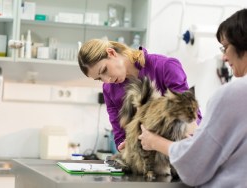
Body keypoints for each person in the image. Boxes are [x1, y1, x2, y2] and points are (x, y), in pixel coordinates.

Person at [138, 8, 247, 187]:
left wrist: (154, 142)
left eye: (226, 47)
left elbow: (194, 167)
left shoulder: (233, 94)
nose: (224, 57)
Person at [78, 38, 202, 151]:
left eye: (104, 70)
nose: (107, 80)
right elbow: (119, 133)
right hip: (145, 158)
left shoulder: (165, 67)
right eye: (99, 78)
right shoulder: (109, 89)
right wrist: (125, 145)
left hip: (179, 149)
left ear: (111, 53)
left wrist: (158, 140)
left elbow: (190, 116)